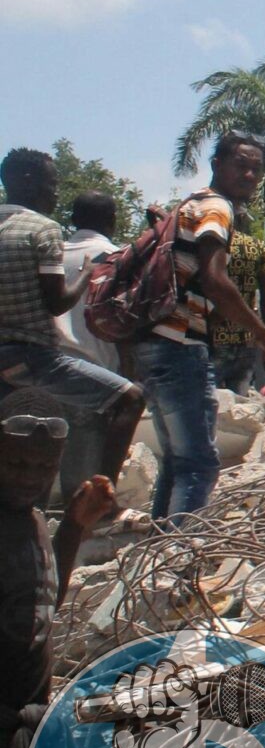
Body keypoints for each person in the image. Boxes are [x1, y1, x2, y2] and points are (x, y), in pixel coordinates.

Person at [0, 389, 115, 748]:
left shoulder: (32, 527)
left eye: (41, 467)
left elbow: (40, 610)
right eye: (15, 462)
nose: (28, 475)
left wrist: (72, 531)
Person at [140, 132, 265, 520]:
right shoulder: (217, 208)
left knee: (177, 462)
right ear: (217, 164)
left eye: (257, 168)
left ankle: (157, 557)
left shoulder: (189, 204)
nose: (250, 174)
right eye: (241, 164)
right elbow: (216, 279)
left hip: (156, 343)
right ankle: (178, 560)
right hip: (181, 344)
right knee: (200, 466)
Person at [0, 149, 146, 507]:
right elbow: (57, 302)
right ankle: (99, 501)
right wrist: (84, 275)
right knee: (132, 399)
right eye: (52, 185)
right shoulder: (43, 230)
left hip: (8, 365)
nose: (55, 194)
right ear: (28, 182)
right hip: (37, 359)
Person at [54, 191, 120, 377]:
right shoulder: (120, 258)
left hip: (49, 369)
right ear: (113, 220)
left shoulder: (51, 257)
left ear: (73, 219)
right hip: (102, 375)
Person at [208, 214, 265, 395]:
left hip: (213, 337)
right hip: (247, 338)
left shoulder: (213, 246)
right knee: (239, 407)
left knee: (206, 403)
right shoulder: (258, 247)